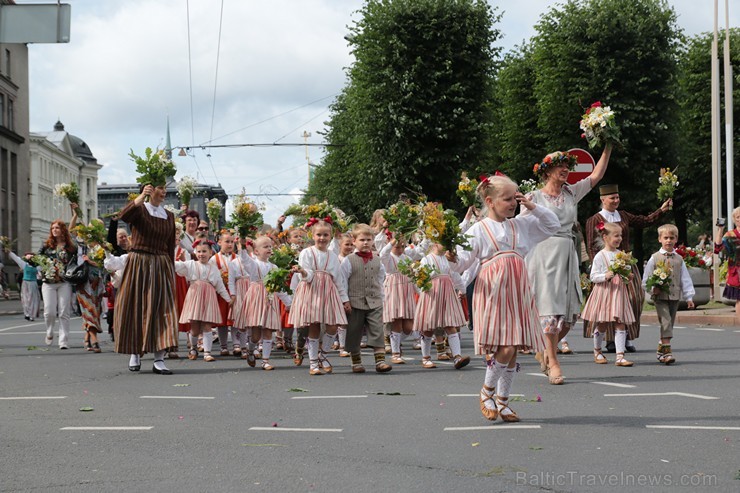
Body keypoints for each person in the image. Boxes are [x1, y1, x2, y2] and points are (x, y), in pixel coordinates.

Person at [450, 174, 559, 422]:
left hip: (518, 288)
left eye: (515, 198)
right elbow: (462, 262)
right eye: (508, 199)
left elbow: (553, 225)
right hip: (493, 288)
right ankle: (486, 391)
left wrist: (532, 205)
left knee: (514, 349)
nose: (513, 203)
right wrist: (451, 256)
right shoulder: (479, 229)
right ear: (490, 201)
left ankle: (503, 401)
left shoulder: (520, 224)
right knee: (506, 344)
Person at [522, 145, 612, 385]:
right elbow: (521, 228)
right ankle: (553, 363)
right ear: (546, 171)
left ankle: (544, 348)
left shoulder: (572, 193)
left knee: (570, 315)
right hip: (543, 255)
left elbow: (596, 176)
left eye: (566, 166)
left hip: (567, 253)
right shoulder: (533, 197)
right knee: (549, 312)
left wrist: (608, 145)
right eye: (559, 166)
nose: (565, 170)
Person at [584, 184, 671, 352]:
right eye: (612, 198)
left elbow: (644, 221)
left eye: (617, 197)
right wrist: (601, 269)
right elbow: (591, 246)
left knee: (635, 298)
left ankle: (626, 335)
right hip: (607, 265)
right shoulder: (594, 220)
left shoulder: (622, 215)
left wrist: (661, 210)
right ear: (603, 200)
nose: (616, 200)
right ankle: (611, 340)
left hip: (625, 262)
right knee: (610, 302)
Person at [113, 184, 179, 375]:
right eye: (159, 187)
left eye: (165, 188)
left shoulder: (169, 215)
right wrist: (141, 196)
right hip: (139, 262)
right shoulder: (140, 209)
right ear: (149, 190)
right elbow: (124, 216)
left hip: (161, 263)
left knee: (162, 309)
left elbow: (169, 246)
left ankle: (159, 358)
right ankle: (135, 352)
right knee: (137, 306)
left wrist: (171, 270)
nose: (164, 191)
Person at [289, 218, 348, 376]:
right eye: (319, 235)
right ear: (312, 235)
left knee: (333, 325)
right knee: (314, 326)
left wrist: (344, 299)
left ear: (330, 236)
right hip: (312, 291)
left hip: (328, 291)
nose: (322, 238)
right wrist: (302, 272)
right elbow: (307, 276)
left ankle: (323, 354)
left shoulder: (332, 256)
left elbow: (338, 279)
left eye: (325, 235)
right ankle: (313, 362)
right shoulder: (307, 253)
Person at [337, 224, 392, 373]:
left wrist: (382, 298)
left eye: (368, 239)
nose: (366, 242)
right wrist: (345, 300)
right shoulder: (349, 260)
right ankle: (356, 362)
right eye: (362, 239)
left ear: (373, 240)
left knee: (377, 330)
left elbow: (381, 279)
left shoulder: (377, 260)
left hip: (375, 301)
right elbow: (342, 281)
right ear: (354, 241)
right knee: (354, 331)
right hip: (355, 302)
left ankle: (380, 362)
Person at [581, 222, 636, 367]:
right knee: (603, 323)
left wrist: (627, 276)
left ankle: (620, 356)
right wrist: (606, 276)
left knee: (620, 322)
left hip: (618, 293)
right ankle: (597, 351)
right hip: (605, 293)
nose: (619, 238)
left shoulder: (621, 255)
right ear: (605, 237)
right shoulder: (600, 256)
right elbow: (593, 276)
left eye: (621, 235)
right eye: (616, 235)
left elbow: (626, 272)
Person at [412, 242, 470, 370]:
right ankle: (426, 358)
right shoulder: (427, 259)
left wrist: (462, 289)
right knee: (428, 326)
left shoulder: (446, 259)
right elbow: (420, 278)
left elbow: (454, 274)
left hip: (447, 293)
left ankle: (457, 357)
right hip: (432, 294)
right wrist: (424, 285)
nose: (445, 246)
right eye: (442, 242)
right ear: (433, 244)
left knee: (450, 324)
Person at [642, 224, 695, 364]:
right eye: (665, 238)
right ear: (660, 239)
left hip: (675, 296)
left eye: (672, 238)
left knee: (669, 324)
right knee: (665, 322)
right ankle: (667, 353)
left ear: (676, 239)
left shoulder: (679, 259)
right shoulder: (654, 258)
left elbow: (685, 279)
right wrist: (653, 289)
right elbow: (646, 279)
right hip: (660, 297)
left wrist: (689, 297)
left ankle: (661, 350)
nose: (668, 241)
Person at [237, 236, 292, 370]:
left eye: (270, 246)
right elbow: (244, 260)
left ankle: (265, 360)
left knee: (268, 331)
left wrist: (288, 303)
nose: (269, 249)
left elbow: (278, 287)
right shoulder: (254, 264)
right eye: (265, 246)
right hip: (256, 298)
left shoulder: (274, 266)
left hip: (269, 299)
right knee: (255, 335)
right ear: (256, 251)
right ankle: (251, 349)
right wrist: (242, 247)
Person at [176, 239, 232, 362]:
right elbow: (177, 266)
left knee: (207, 326)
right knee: (195, 327)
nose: (201, 254)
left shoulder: (214, 269)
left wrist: (228, 299)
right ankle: (194, 347)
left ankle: (207, 352)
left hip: (208, 297)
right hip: (195, 296)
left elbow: (220, 286)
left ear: (210, 253)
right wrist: (173, 259)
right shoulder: (191, 264)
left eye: (204, 251)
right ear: (195, 252)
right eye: (199, 251)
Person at [37, 206, 78, 349]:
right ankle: (49, 330)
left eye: (57, 228)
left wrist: (75, 214)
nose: (54, 230)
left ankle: (63, 340)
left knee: (64, 312)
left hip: (64, 282)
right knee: (49, 311)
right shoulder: (46, 245)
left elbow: (76, 259)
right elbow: (38, 258)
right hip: (48, 282)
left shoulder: (69, 246)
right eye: (53, 228)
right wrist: (33, 259)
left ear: (62, 230)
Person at [378, 234, 416, 365]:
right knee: (397, 322)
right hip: (393, 289)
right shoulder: (388, 258)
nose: (400, 250)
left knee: (409, 326)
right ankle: (396, 353)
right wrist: (391, 242)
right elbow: (382, 254)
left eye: (402, 247)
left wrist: (421, 292)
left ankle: (396, 342)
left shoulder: (407, 259)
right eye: (397, 247)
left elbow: (414, 276)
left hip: (407, 290)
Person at [211, 229, 238, 356]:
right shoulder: (213, 259)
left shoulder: (237, 258)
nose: (230, 244)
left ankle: (236, 344)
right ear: (219, 242)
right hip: (220, 293)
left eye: (232, 242)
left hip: (234, 291)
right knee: (222, 321)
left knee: (234, 318)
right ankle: (223, 346)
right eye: (227, 241)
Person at [714, 207, 740, 316]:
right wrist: (720, 230)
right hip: (737, 271)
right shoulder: (730, 235)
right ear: (734, 219)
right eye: (738, 217)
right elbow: (717, 248)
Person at [6, 250, 41, 321]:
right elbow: (16, 258)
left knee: (32, 299)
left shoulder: (37, 267)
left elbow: (42, 268)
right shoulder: (24, 264)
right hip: (25, 282)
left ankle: (31, 315)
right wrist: (9, 252)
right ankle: (27, 314)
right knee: (25, 299)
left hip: (33, 283)